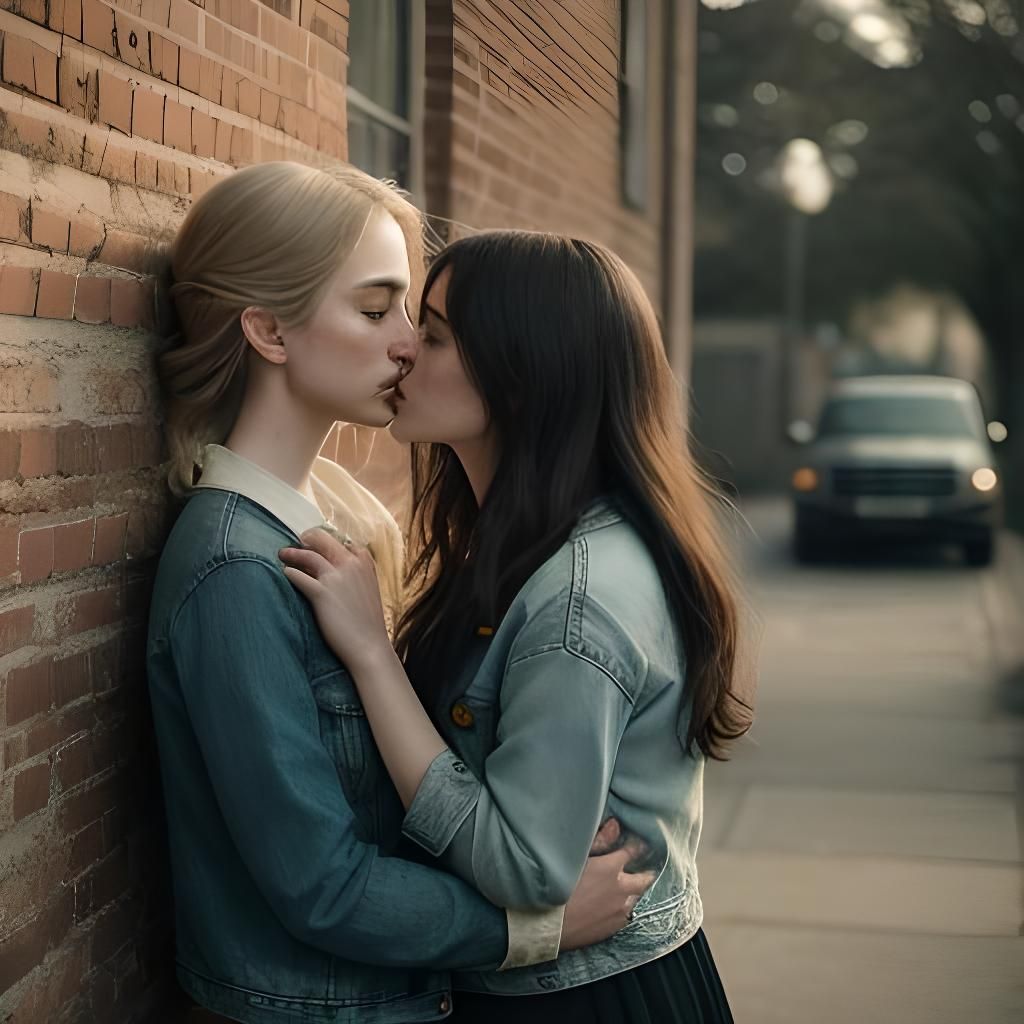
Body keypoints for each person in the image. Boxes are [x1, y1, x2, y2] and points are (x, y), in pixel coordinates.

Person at [146, 164, 653, 1024]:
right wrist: (534, 927)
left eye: (410, 314)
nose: (409, 344)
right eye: (376, 310)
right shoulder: (235, 568)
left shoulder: (328, 525)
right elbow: (322, 885)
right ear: (269, 330)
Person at [280, 230, 754, 1023]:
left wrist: (372, 655)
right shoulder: (519, 544)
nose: (404, 347)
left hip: (588, 1001)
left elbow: (527, 870)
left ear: (522, 374)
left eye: (434, 334)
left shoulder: (577, 600)